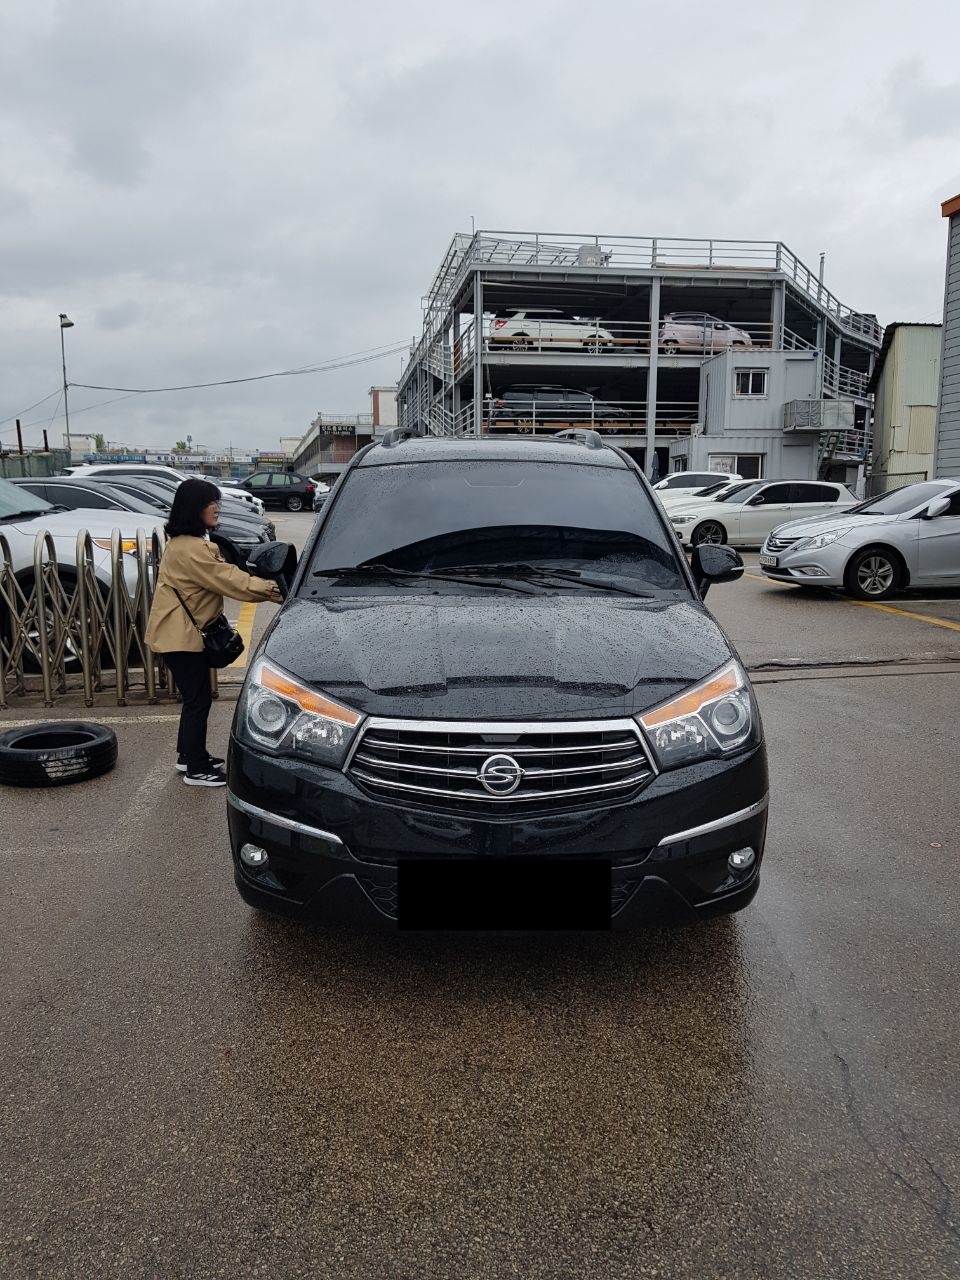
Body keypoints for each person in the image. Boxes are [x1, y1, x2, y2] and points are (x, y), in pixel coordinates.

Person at [145, 478, 282, 787]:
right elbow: (231, 581)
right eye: (210, 503)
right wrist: (278, 591)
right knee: (198, 701)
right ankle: (196, 769)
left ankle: (188, 756)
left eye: (216, 502)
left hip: (177, 634)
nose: (216, 508)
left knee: (195, 698)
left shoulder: (184, 543)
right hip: (179, 637)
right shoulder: (193, 549)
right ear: (194, 509)